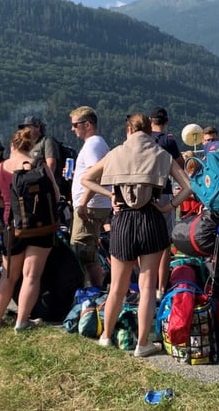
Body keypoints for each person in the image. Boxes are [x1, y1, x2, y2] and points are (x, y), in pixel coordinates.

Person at [81, 113, 193, 357]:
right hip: (150, 218)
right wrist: (168, 206)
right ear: (149, 132)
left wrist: (110, 195)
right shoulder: (161, 154)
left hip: (121, 221)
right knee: (146, 285)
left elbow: (86, 178)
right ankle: (143, 343)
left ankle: (106, 336)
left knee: (117, 287)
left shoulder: (116, 153)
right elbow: (188, 186)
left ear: (129, 130)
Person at [0, 129, 60, 331]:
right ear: (32, 146)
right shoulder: (39, 165)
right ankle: (22, 321)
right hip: (40, 227)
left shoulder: (1, 168)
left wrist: (10, 205)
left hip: (13, 227)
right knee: (31, 276)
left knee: (8, 276)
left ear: (12, 146)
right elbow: (54, 195)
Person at [69, 106, 112, 288]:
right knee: (88, 251)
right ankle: (94, 290)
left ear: (87, 124)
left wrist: (83, 203)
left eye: (75, 125)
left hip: (90, 205)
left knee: (83, 252)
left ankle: (93, 292)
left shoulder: (93, 144)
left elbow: (94, 175)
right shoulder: (96, 144)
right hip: (95, 204)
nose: (72, 129)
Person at [149, 106, 185, 299]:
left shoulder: (143, 139)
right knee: (164, 244)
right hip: (164, 192)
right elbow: (179, 164)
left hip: (144, 194)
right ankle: (161, 288)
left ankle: (145, 283)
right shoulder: (168, 141)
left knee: (146, 240)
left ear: (149, 120)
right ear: (166, 122)